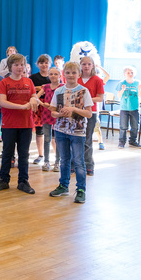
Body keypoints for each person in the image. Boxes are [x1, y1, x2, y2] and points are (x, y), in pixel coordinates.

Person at [0, 53, 39, 194]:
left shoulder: (29, 82)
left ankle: (23, 181)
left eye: (22, 64)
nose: (20, 67)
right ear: (10, 67)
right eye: (16, 65)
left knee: (24, 154)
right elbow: (2, 102)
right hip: (9, 124)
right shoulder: (4, 82)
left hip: (26, 124)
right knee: (7, 153)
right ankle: (4, 180)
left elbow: (34, 97)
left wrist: (34, 99)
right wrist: (22, 107)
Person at [48, 62, 94, 204]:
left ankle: (81, 190)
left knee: (79, 161)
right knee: (64, 160)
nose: (71, 75)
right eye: (68, 73)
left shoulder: (84, 91)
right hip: (61, 130)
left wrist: (73, 109)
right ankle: (63, 186)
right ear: (64, 74)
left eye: (74, 73)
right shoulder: (58, 91)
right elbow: (53, 111)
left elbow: (89, 113)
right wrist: (59, 114)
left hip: (77, 131)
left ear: (79, 74)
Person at [77, 56, 104, 175]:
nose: (86, 66)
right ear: (80, 65)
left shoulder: (97, 80)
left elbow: (100, 98)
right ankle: (74, 164)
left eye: (89, 64)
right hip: (77, 112)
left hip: (91, 113)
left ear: (93, 65)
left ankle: (88, 165)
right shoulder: (77, 79)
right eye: (84, 64)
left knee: (87, 140)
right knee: (76, 139)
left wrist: (86, 100)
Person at [37, 67, 61, 171]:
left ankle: (57, 162)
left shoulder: (63, 87)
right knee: (47, 138)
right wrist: (43, 104)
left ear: (60, 75)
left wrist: (55, 108)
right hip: (47, 114)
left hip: (58, 115)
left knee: (58, 139)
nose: (53, 76)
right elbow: (36, 97)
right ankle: (46, 162)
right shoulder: (46, 87)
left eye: (55, 74)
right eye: (51, 74)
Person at [30, 54, 52, 165]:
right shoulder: (33, 77)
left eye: (46, 63)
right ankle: (40, 155)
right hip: (38, 106)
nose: (44, 65)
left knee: (52, 133)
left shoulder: (52, 76)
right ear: (37, 64)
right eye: (41, 63)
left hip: (50, 106)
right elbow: (30, 90)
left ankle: (55, 157)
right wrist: (38, 88)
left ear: (50, 64)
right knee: (39, 131)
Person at [116, 66, 141, 149]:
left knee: (135, 126)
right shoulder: (121, 83)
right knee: (123, 126)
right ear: (124, 74)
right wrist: (123, 89)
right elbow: (119, 96)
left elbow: (140, 95)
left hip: (134, 108)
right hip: (124, 108)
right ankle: (121, 142)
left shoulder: (138, 82)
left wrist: (139, 89)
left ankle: (132, 141)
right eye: (128, 72)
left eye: (132, 72)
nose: (130, 74)